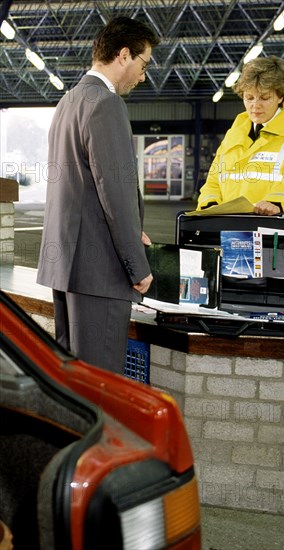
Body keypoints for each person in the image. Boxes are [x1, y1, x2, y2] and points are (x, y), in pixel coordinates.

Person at [37, 16, 160, 373]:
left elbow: (80, 187)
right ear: (124, 55)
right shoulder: (106, 104)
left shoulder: (68, 102)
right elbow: (115, 193)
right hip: (98, 273)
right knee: (100, 386)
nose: (143, 76)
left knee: (72, 384)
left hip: (67, 269)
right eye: (143, 64)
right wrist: (137, 265)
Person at [196, 56, 284, 215]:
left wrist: (276, 202)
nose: (255, 105)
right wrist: (210, 203)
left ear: (280, 96)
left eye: (265, 97)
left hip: (271, 229)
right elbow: (214, 179)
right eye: (249, 97)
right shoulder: (234, 134)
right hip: (228, 229)